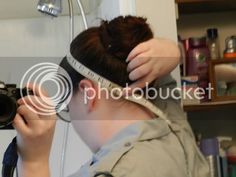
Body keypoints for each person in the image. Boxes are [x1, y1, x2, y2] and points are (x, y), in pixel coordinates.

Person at [14, 16, 209, 177]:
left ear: (87, 94)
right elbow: (161, 70)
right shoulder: (174, 127)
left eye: (68, 107)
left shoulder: (110, 172)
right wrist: (171, 51)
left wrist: (33, 161)